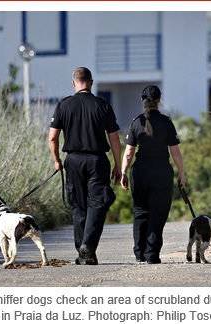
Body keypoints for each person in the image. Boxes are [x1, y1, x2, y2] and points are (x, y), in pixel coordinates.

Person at [48, 67, 122, 265]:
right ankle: (87, 248)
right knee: (98, 203)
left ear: (74, 83)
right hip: (97, 160)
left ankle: (84, 251)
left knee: (79, 206)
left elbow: (53, 138)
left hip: (73, 161)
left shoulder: (64, 105)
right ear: (90, 82)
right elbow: (114, 138)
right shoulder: (102, 105)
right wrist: (118, 165)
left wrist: (56, 160)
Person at [120, 85, 186, 264]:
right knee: (158, 213)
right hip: (161, 173)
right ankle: (152, 254)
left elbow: (128, 152)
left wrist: (123, 172)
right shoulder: (166, 122)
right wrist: (182, 173)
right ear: (159, 100)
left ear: (142, 101)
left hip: (140, 172)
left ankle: (139, 253)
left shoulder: (136, 122)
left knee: (140, 211)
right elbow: (175, 152)